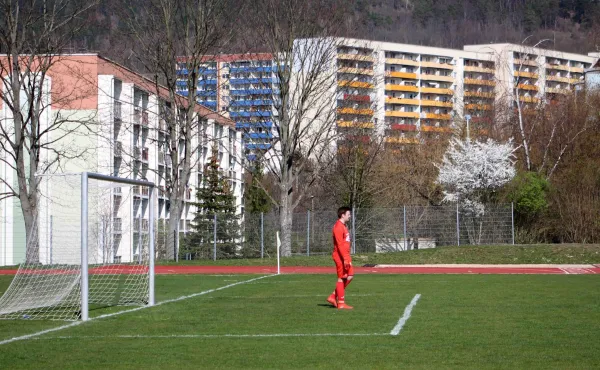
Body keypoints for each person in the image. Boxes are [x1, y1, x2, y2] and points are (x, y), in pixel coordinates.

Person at [327, 206, 353, 309]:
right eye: (348, 214)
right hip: (340, 256)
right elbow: (339, 244)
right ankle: (341, 303)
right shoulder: (338, 226)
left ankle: (333, 296)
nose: (350, 216)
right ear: (342, 215)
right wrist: (345, 259)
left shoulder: (343, 226)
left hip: (345, 256)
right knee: (341, 278)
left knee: (350, 276)